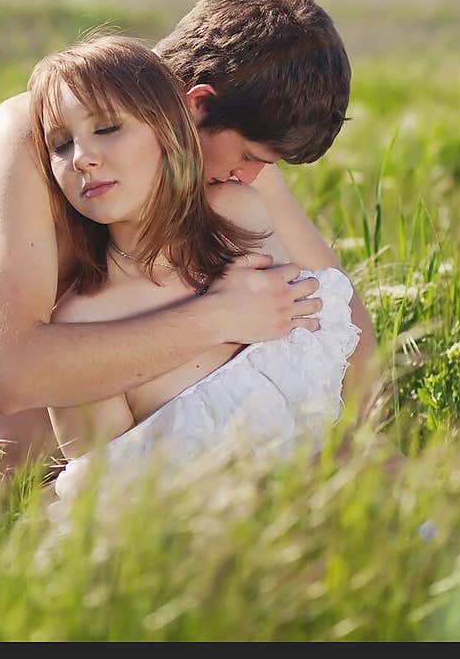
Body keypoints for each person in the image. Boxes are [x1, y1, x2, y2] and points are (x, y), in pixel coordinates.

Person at [0, 0, 378, 476]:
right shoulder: (32, 138)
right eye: (249, 158)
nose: (251, 176)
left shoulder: (222, 170)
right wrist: (221, 318)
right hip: (29, 498)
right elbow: (12, 374)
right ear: (197, 107)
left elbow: (342, 313)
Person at [27, 34, 361, 504]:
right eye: (61, 145)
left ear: (169, 130)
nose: (81, 158)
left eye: (106, 129)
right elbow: (111, 512)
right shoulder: (82, 323)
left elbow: (322, 401)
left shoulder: (239, 219)